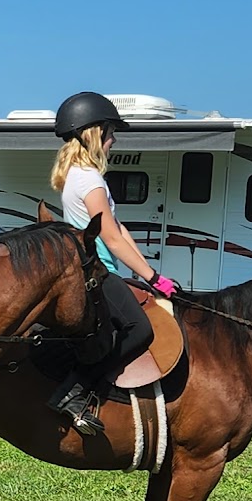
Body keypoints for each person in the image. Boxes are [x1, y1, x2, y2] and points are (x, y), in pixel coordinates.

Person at [47, 91, 169, 437]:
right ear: (94, 133)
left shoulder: (79, 176)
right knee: (140, 329)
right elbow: (111, 239)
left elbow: (119, 229)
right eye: (111, 132)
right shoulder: (89, 180)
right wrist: (154, 277)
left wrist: (143, 271)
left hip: (105, 267)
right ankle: (73, 391)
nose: (114, 140)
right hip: (98, 270)